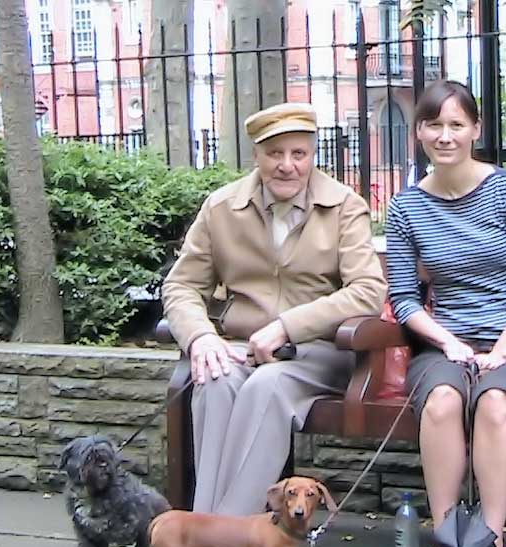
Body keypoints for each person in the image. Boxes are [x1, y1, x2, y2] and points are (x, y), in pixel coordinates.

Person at [162, 103, 387, 520]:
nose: (287, 166)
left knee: (267, 388)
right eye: (275, 154)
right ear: (256, 156)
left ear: (312, 156)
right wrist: (202, 337)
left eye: (298, 154)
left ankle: (227, 534)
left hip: (319, 352)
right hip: (240, 347)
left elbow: (368, 291)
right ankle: (207, 529)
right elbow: (181, 285)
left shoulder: (344, 207)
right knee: (214, 380)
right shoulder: (221, 208)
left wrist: (287, 327)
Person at [385, 80, 506, 547]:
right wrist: (449, 343)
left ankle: (492, 544)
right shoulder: (405, 207)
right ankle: (449, 545)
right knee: (440, 403)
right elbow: (405, 297)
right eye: (434, 124)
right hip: (445, 345)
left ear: (476, 130)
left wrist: (501, 350)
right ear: (418, 133)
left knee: (497, 404)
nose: (445, 135)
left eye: (457, 124)